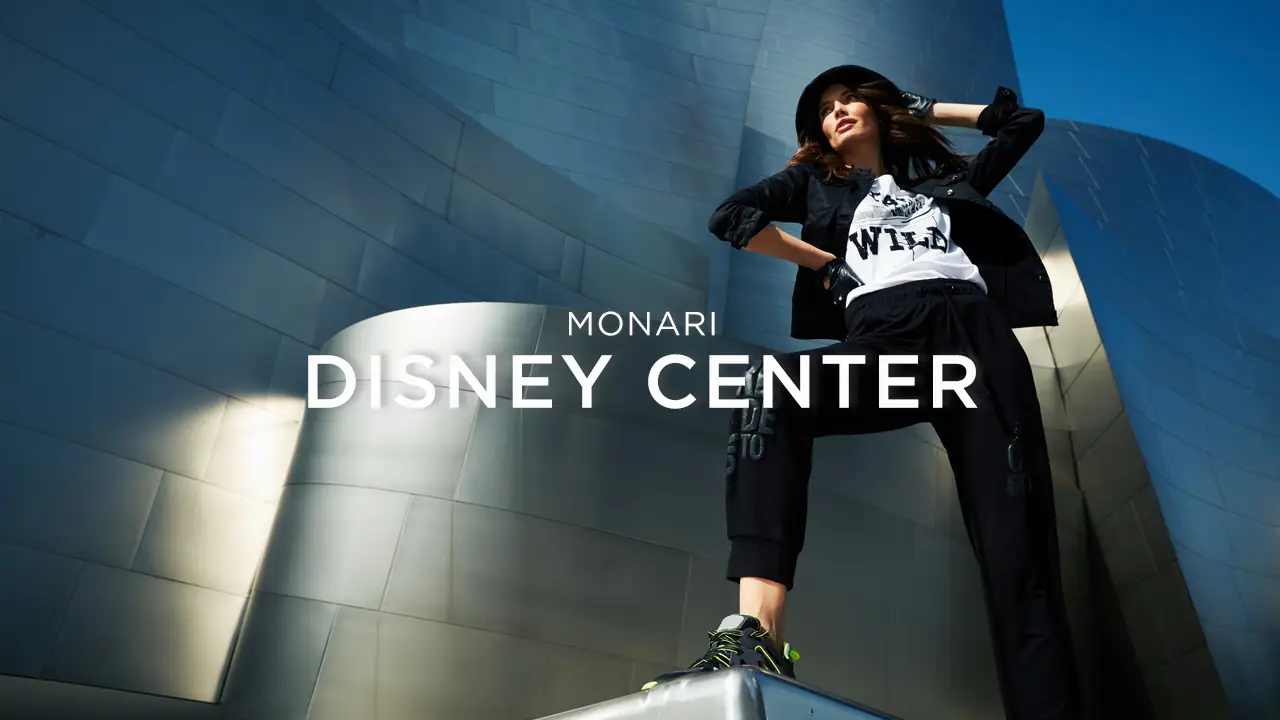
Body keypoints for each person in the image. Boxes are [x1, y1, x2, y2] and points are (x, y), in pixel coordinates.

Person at [641, 65, 1083, 720]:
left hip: (979, 343)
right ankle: (756, 636)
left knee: (1017, 543)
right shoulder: (818, 184)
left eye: (850, 99)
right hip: (886, 332)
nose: (838, 110)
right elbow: (731, 215)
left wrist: (922, 108)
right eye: (825, 107)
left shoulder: (946, 179)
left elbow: (1021, 123)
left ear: (878, 109)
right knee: (773, 388)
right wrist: (827, 264)